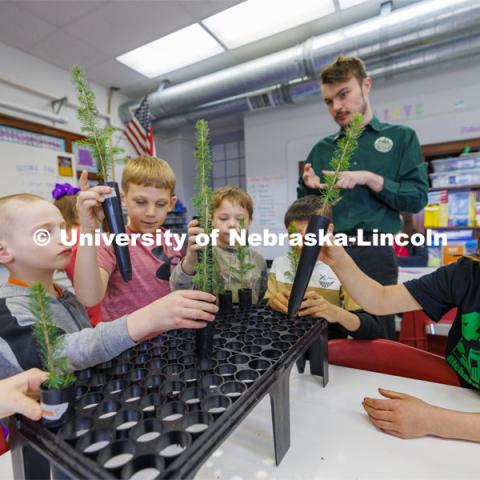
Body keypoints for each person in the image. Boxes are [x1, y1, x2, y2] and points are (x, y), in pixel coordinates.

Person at [0, 193, 217, 380]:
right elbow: (55, 353)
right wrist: (147, 318)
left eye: (62, 228)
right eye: (44, 233)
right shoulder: (7, 310)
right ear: (3, 252)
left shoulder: (63, 295)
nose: (64, 238)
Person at [297, 55, 429, 339]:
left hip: (374, 251)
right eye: (329, 101)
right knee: (323, 330)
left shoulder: (400, 138)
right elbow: (301, 213)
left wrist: (370, 179)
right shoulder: (321, 150)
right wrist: (311, 190)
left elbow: (416, 198)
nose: (337, 107)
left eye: (344, 94)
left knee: (375, 335)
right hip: (327, 251)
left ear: (366, 85)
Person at [318, 235, 480, 441]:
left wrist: (430, 420)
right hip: (457, 388)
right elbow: (381, 299)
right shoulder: (467, 272)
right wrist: (338, 259)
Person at [73, 156, 182, 322]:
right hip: (129, 345)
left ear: (171, 203)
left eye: (160, 204)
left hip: (172, 341)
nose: (151, 212)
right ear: (123, 199)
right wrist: (88, 230)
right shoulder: (110, 244)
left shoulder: (174, 242)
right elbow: (89, 297)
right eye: (140, 202)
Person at [266, 196, 384, 339]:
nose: (299, 244)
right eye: (293, 235)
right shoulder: (279, 265)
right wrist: (272, 302)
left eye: (308, 236)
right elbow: (265, 306)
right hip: (285, 342)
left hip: (328, 347)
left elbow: (371, 328)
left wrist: (335, 313)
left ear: (328, 230)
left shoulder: (342, 270)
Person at [170, 186, 268, 303]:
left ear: (249, 221)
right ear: (211, 220)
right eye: (223, 218)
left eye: (240, 219)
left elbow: (262, 298)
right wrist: (190, 260)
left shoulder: (258, 260)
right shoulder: (202, 255)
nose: (232, 224)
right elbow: (178, 287)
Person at [52, 182, 102, 325]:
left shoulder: (66, 236)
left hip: (82, 297)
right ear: (77, 211)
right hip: (98, 299)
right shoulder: (81, 233)